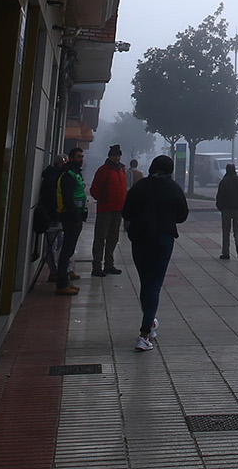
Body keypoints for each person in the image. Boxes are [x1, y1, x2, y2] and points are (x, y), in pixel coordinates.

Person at [122, 154, 188, 352]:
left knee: (146, 282)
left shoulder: (140, 187)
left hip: (140, 238)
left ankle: (150, 323)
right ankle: (144, 334)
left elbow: (126, 212)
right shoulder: (174, 188)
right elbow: (182, 216)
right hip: (163, 239)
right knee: (154, 284)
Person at [53, 146, 88, 295]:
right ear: (71, 158)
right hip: (70, 217)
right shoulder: (68, 175)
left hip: (76, 216)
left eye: (82, 157)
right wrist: (75, 217)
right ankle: (61, 283)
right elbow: (68, 199)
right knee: (66, 250)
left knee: (69, 250)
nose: (81, 159)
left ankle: (65, 280)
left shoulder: (75, 173)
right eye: (78, 157)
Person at [87, 144, 126, 277]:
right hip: (105, 210)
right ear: (109, 156)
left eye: (118, 155)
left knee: (113, 238)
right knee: (100, 238)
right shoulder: (103, 170)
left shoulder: (121, 170)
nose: (117, 158)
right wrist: (104, 199)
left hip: (118, 209)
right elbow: (94, 189)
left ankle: (109, 264)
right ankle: (97, 265)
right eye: (114, 155)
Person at [214, 162, 238, 260]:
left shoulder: (224, 182)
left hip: (226, 210)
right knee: (237, 230)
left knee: (226, 231)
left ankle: (226, 253)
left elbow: (219, 197)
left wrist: (220, 207)